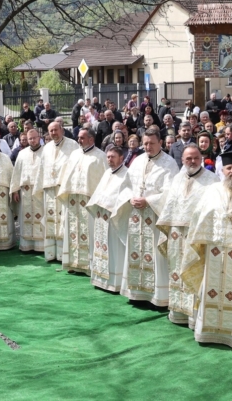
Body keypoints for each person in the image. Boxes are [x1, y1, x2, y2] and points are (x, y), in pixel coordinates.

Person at [182, 152, 232, 348]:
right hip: (214, 253)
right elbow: (199, 218)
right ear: (223, 170)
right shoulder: (212, 191)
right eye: (228, 168)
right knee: (210, 290)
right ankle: (208, 331)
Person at [155, 146, 219, 324]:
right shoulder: (177, 178)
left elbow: (213, 209)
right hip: (176, 234)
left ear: (201, 158)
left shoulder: (212, 180)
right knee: (176, 271)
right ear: (182, 160)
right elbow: (170, 205)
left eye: (196, 158)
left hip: (196, 235)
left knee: (194, 270)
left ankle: (194, 317)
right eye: (188, 158)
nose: (192, 161)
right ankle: (178, 312)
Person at [123, 129, 178, 303]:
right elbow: (127, 185)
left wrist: (148, 200)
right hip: (136, 216)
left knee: (154, 253)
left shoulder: (169, 163)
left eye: (152, 143)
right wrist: (130, 198)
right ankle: (136, 292)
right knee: (135, 250)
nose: (148, 147)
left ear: (160, 143)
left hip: (155, 216)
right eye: (145, 143)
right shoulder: (138, 161)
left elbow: (171, 192)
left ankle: (157, 296)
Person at [56, 128, 106, 273]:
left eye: (82, 138)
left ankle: (89, 266)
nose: (79, 140)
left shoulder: (100, 157)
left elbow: (103, 180)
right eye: (78, 137)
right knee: (72, 231)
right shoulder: (74, 154)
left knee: (89, 232)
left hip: (89, 201)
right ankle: (73, 263)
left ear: (91, 139)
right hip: (73, 200)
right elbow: (67, 175)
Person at [87, 146, 133, 291]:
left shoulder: (127, 174)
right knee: (101, 246)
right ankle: (100, 279)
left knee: (114, 249)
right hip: (101, 217)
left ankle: (115, 282)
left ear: (121, 158)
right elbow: (99, 192)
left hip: (114, 217)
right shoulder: (107, 172)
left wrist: (109, 205)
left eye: (113, 157)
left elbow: (125, 196)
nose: (109, 160)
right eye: (108, 157)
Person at [37, 122, 77, 262]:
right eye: (51, 131)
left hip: (64, 190)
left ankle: (63, 254)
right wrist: (40, 186)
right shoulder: (46, 148)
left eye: (56, 130)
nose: (54, 133)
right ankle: (51, 253)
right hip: (49, 190)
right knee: (51, 221)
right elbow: (42, 168)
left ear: (62, 130)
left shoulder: (73, 145)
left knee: (63, 220)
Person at [9, 128, 45, 254]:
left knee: (41, 216)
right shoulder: (22, 153)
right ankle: (27, 245)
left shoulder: (46, 152)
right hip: (25, 192)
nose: (32, 140)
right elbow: (17, 172)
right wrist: (15, 190)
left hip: (40, 190)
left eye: (34, 138)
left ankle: (41, 245)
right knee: (26, 217)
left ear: (39, 138)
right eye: (30, 139)